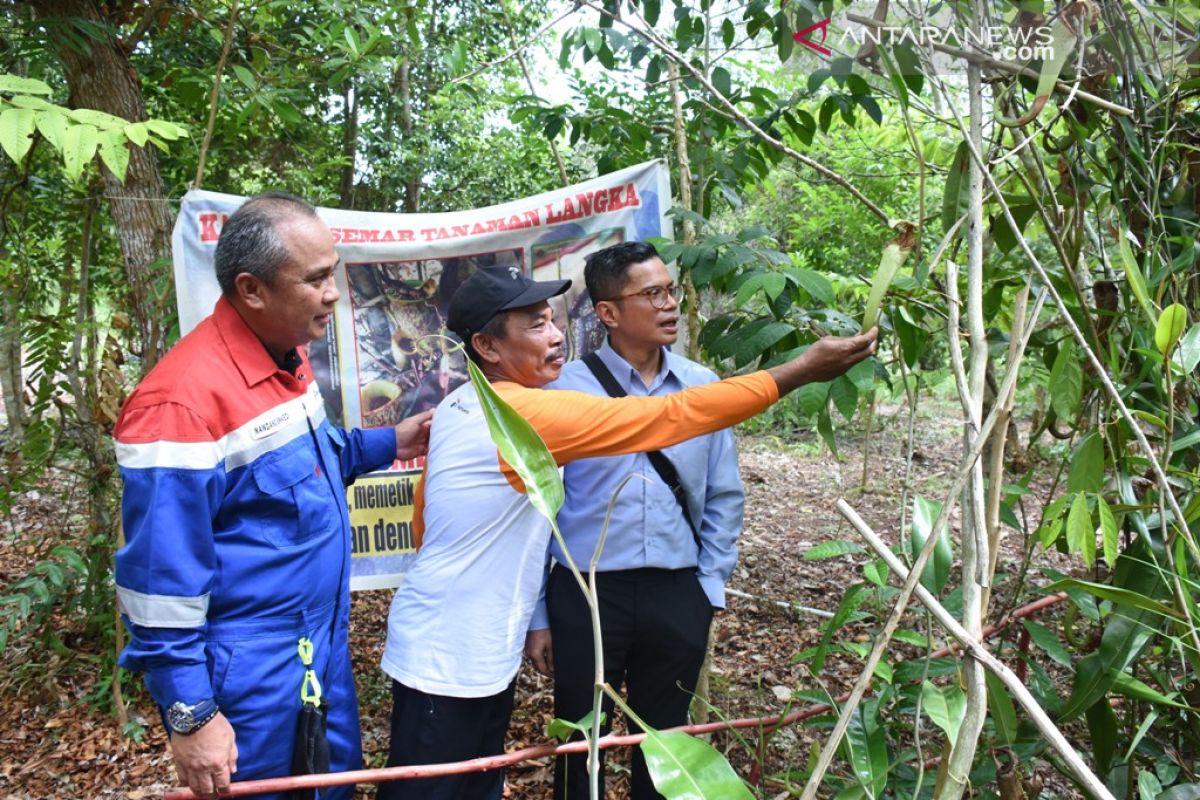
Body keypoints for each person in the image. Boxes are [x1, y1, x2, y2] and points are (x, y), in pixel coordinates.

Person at [378, 266, 877, 800]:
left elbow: (424, 523)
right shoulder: (520, 411)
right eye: (534, 326)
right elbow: (666, 417)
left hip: (462, 643)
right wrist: (797, 370)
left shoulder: (460, 403)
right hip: (450, 657)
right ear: (486, 346)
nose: (554, 337)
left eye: (553, 321)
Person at [113, 193, 432, 800]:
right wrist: (192, 714)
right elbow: (158, 585)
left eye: (331, 272)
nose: (333, 292)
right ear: (252, 289)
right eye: (315, 280)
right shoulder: (180, 405)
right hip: (251, 673)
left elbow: (309, 462)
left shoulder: (286, 357)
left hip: (320, 650)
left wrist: (393, 440)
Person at [531, 241, 743, 799]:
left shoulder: (705, 387)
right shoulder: (562, 392)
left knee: (668, 745)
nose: (670, 303)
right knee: (582, 741)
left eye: (670, 290)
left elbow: (724, 494)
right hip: (586, 593)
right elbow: (536, 513)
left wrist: (709, 586)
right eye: (652, 294)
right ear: (608, 313)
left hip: (677, 591)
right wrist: (538, 614)